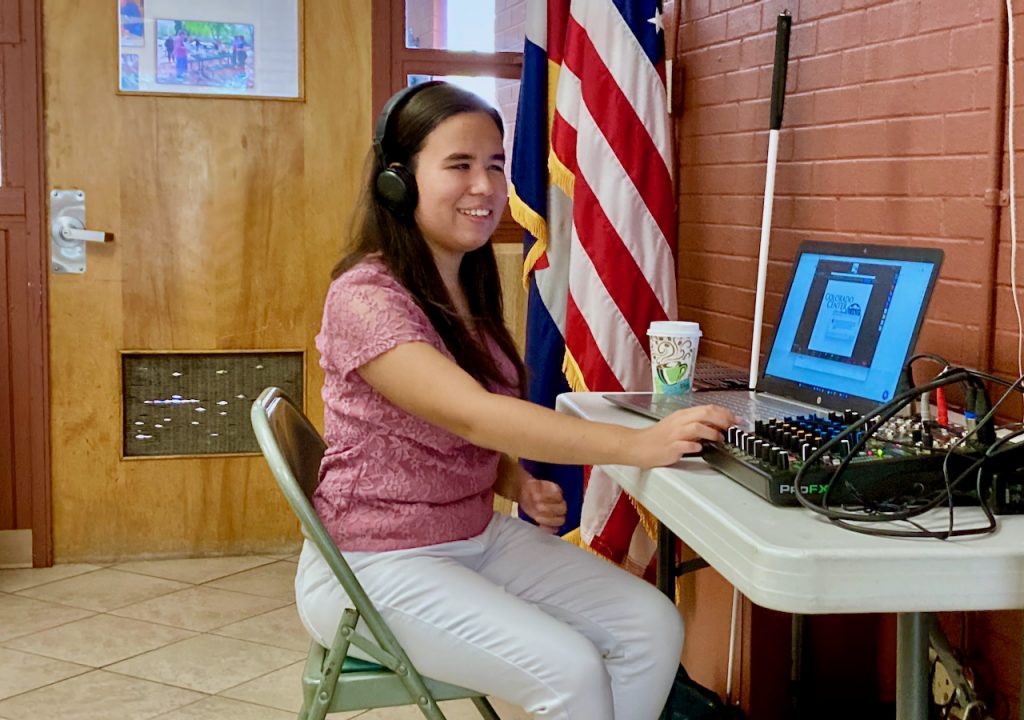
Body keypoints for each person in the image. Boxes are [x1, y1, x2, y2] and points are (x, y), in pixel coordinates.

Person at [295, 80, 738, 720]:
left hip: (469, 532)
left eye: (495, 165)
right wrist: (640, 445)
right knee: (572, 671)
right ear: (398, 180)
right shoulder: (366, 298)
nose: (485, 186)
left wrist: (511, 477)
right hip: (374, 564)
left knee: (652, 624)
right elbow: (471, 412)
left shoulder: (460, 282)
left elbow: (437, 431)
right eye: (459, 165)